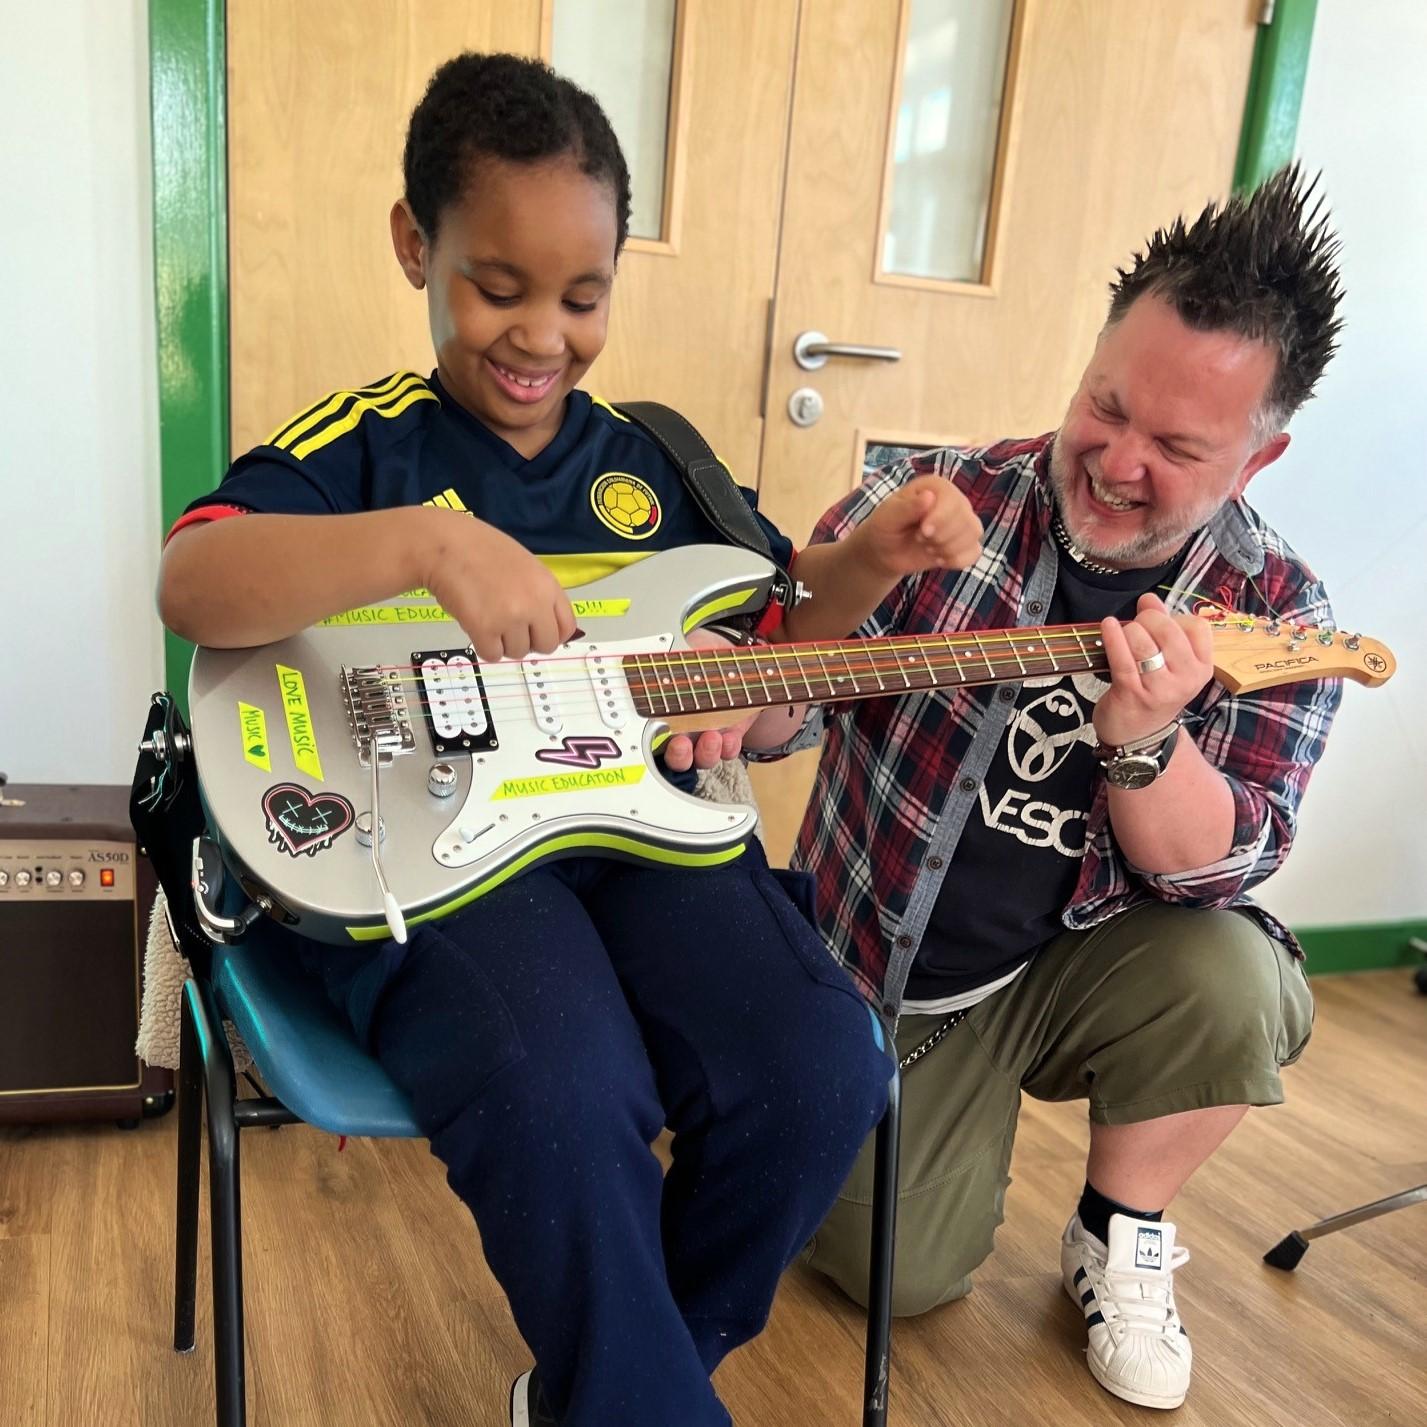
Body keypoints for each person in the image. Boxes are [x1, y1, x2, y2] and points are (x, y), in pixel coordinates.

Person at [156, 53, 985, 1427]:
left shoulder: (648, 462)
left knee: (817, 1066)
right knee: (565, 1084)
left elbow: (772, 673)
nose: (541, 333)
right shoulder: (364, 446)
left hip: (637, 842)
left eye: (582, 295)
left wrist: (859, 573)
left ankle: (602, 1386)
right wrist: (432, 543)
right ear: (415, 245)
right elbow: (194, 585)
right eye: (498, 286)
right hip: (432, 853)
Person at [750, 165, 1345, 1411]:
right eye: (1103, 405)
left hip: (1086, 960)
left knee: (1237, 979)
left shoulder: (1278, 611)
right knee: (889, 1274)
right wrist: (851, 572)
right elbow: (759, 717)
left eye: (1177, 447)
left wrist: (1142, 742)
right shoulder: (929, 504)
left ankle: (1117, 1225)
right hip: (897, 972)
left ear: (1257, 455)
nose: (1117, 460)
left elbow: (1219, 865)